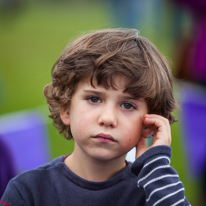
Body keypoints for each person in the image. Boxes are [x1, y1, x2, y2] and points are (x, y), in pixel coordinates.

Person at [0, 28, 190, 206]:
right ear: (66, 109)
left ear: (149, 123)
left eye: (127, 105)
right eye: (93, 99)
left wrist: (155, 166)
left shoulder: (155, 193)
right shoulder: (28, 191)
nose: (107, 118)